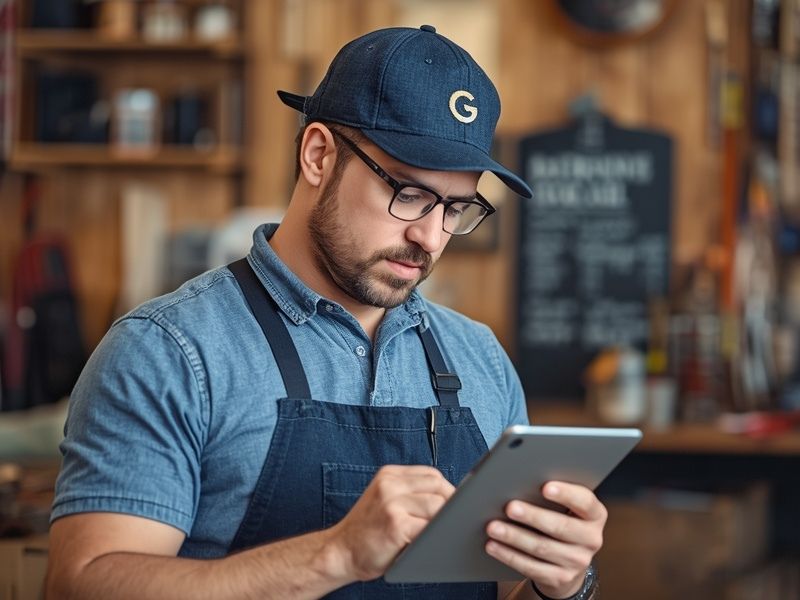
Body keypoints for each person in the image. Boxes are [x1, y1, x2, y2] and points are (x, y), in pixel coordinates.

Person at [45, 25, 605, 600]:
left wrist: (560, 583)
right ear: (318, 155)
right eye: (409, 194)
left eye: (456, 208)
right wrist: (334, 556)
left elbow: (502, 587)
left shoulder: (480, 358)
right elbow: (80, 586)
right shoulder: (168, 351)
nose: (431, 237)